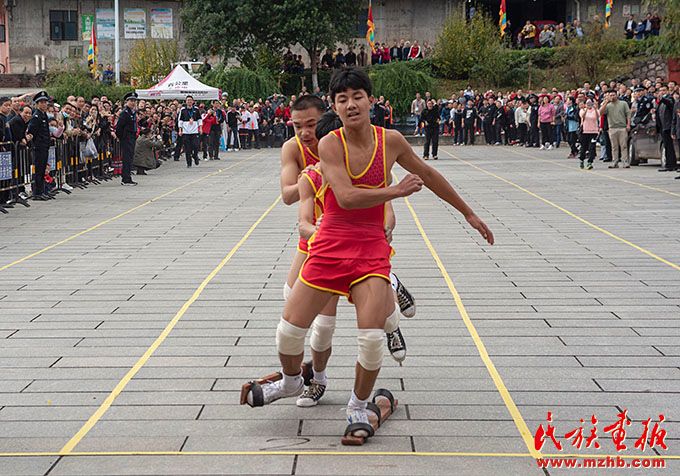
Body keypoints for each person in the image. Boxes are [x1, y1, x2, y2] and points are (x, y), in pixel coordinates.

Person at [246, 69, 493, 444]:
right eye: (342, 99)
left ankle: (358, 406)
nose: (350, 104)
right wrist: (395, 191)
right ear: (335, 106)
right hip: (329, 245)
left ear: (370, 100)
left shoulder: (390, 141)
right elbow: (346, 198)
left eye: (357, 96)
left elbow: (427, 173)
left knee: (371, 340)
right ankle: (293, 381)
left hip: (370, 248)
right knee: (289, 332)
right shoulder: (331, 144)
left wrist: (468, 213)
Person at [278, 96, 413, 406]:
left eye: (311, 125)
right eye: (297, 126)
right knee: (295, 303)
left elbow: (387, 205)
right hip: (320, 243)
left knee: (368, 324)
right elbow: (290, 199)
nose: (305, 133)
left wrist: (384, 228)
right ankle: (316, 379)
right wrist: (313, 177)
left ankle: (389, 317)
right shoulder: (297, 152)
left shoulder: (358, 151)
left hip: (359, 245)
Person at [600, 91, 631, 168]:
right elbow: (601, 113)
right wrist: (605, 102)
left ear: (617, 95)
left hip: (622, 127)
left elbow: (628, 114)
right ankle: (615, 161)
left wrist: (628, 124)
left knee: (623, 146)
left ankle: (625, 161)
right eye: (610, 95)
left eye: (613, 95)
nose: (612, 97)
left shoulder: (623, 103)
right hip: (612, 128)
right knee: (614, 146)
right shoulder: (608, 105)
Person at [115, 91, 139, 185]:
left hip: (131, 137)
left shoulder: (132, 112)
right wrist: (122, 137)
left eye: (134, 101)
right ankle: (125, 178)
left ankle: (127, 176)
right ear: (126, 101)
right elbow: (119, 127)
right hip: (126, 138)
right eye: (131, 101)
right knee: (127, 158)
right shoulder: (125, 113)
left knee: (129, 158)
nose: (133, 103)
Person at [656, 86, 677, 172]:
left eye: (664, 90)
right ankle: (668, 164)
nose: (662, 92)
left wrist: (662, 99)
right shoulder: (661, 102)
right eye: (660, 90)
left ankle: (672, 164)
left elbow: (670, 103)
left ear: (667, 91)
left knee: (670, 146)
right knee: (666, 146)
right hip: (663, 127)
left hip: (668, 127)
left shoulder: (669, 98)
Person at [178, 95, 202, 167]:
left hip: (194, 131)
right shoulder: (183, 110)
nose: (189, 101)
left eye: (190, 100)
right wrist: (180, 130)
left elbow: (199, 119)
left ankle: (195, 155)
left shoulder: (196, 109)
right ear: (186, 101)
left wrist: (200, 128)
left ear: (193, 101)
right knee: (187, 148)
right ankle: (189, 163)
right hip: (186, 131)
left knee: (196, 145)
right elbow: (180, 121)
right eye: (188, 100)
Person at [579, 99, 600, 170]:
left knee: (592, 147)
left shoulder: (595, 110)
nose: (589, 105)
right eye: (588, 104)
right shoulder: (582, 110)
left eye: (590, 104)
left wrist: (595, 108)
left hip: (593, 132)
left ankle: (590, 162)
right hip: (585, 132)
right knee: (584, 147)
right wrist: (586, 109)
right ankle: (582, 160)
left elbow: (598, 116)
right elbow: (583, 117)